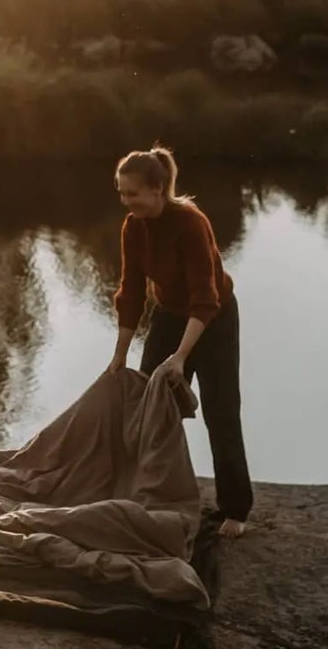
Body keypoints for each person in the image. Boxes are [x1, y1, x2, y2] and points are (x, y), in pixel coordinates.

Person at [106, 146, 253, 538]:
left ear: (157, 189)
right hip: (170, 315)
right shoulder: (133, 227)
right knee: (150, 406)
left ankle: (235, 509)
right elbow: (131, 294)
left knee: (221, 412)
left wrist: (180, 358)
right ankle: (153, 495)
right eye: (121, 193)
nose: (126, 201)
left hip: (214, 319)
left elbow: (205, 299)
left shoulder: (190, 223)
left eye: (132, 193)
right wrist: (119, 356)